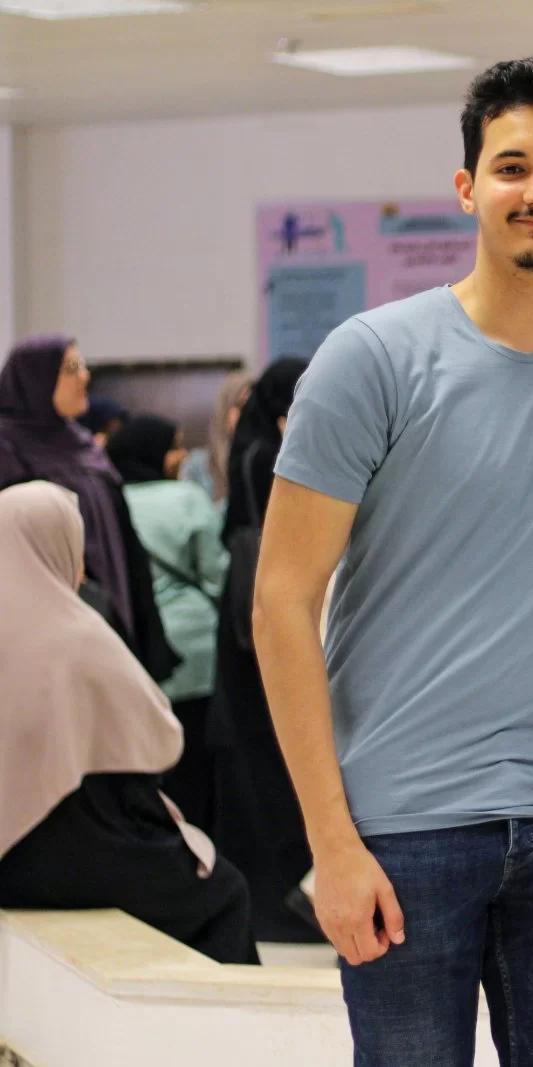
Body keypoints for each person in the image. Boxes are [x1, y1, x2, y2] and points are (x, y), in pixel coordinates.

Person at [253, 56, 533, 1066]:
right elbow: (281, 602)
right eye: (512, 166)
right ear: (468, 186)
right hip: (402, 831)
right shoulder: (371, 357)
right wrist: (331, 843)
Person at [0, 480, 257, 965]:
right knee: (224, 892)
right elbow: (163, 738)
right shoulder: (77, 633)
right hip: (75, 849)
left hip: (8, 860)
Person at [209, 357, 318, 943]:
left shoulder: (251, 448)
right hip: (262, 616)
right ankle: (281, 897)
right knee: (270, 757)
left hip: (253, 614)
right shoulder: (264, 456)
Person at [0, 335, 178, 682]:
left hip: (112, 601)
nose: (84, 376)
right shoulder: (8, 447)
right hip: (44, 620)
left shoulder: (83, 445)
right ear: (36, 380)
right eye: (71, 368)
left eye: (82, 366)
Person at [107, 415, 230, 832]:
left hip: (135, 651)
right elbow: (216, 575)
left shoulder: (109, 501)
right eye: (175, 446)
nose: (182, 456)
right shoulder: (187, 499)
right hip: (195, 652)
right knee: (196, 765)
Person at [182, 369, 253, 505]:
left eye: (254, 406)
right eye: (241, 406)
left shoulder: (266, 460)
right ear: (224, 409)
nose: (249, 413)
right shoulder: (197, 465)